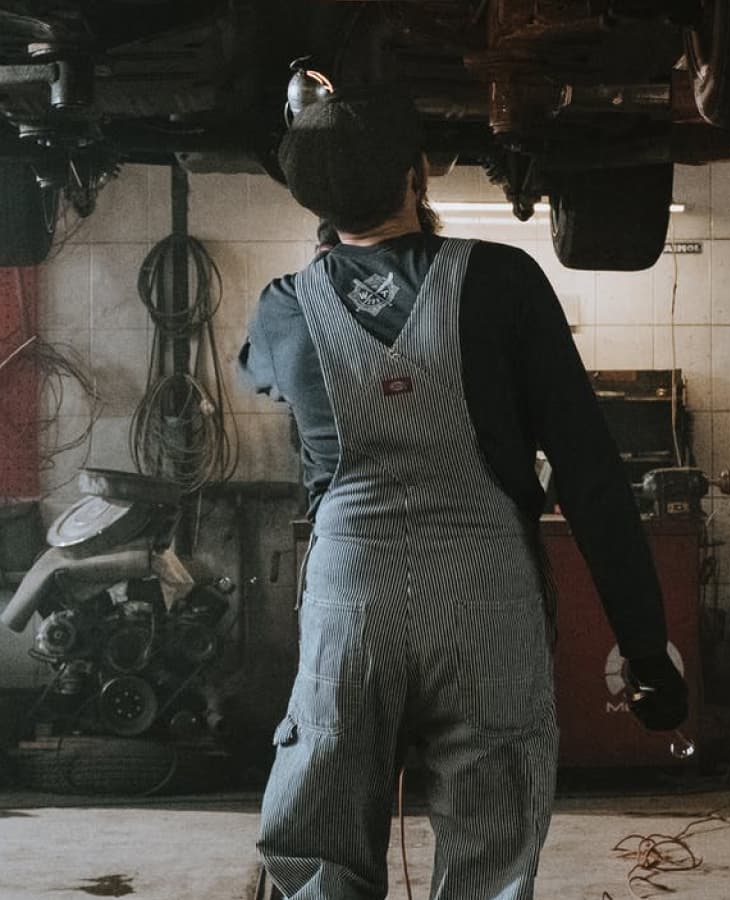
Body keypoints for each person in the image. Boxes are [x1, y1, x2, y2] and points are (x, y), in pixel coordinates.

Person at [239, 88, 687, 900]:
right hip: (485, 598)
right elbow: (588, 469)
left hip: (353, 597)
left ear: (311, 202)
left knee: (322, 841)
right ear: (417, 176)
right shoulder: (503, 280)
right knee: (490, 855)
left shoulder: (283, 308)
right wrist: (645, 645)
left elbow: (294, 393)